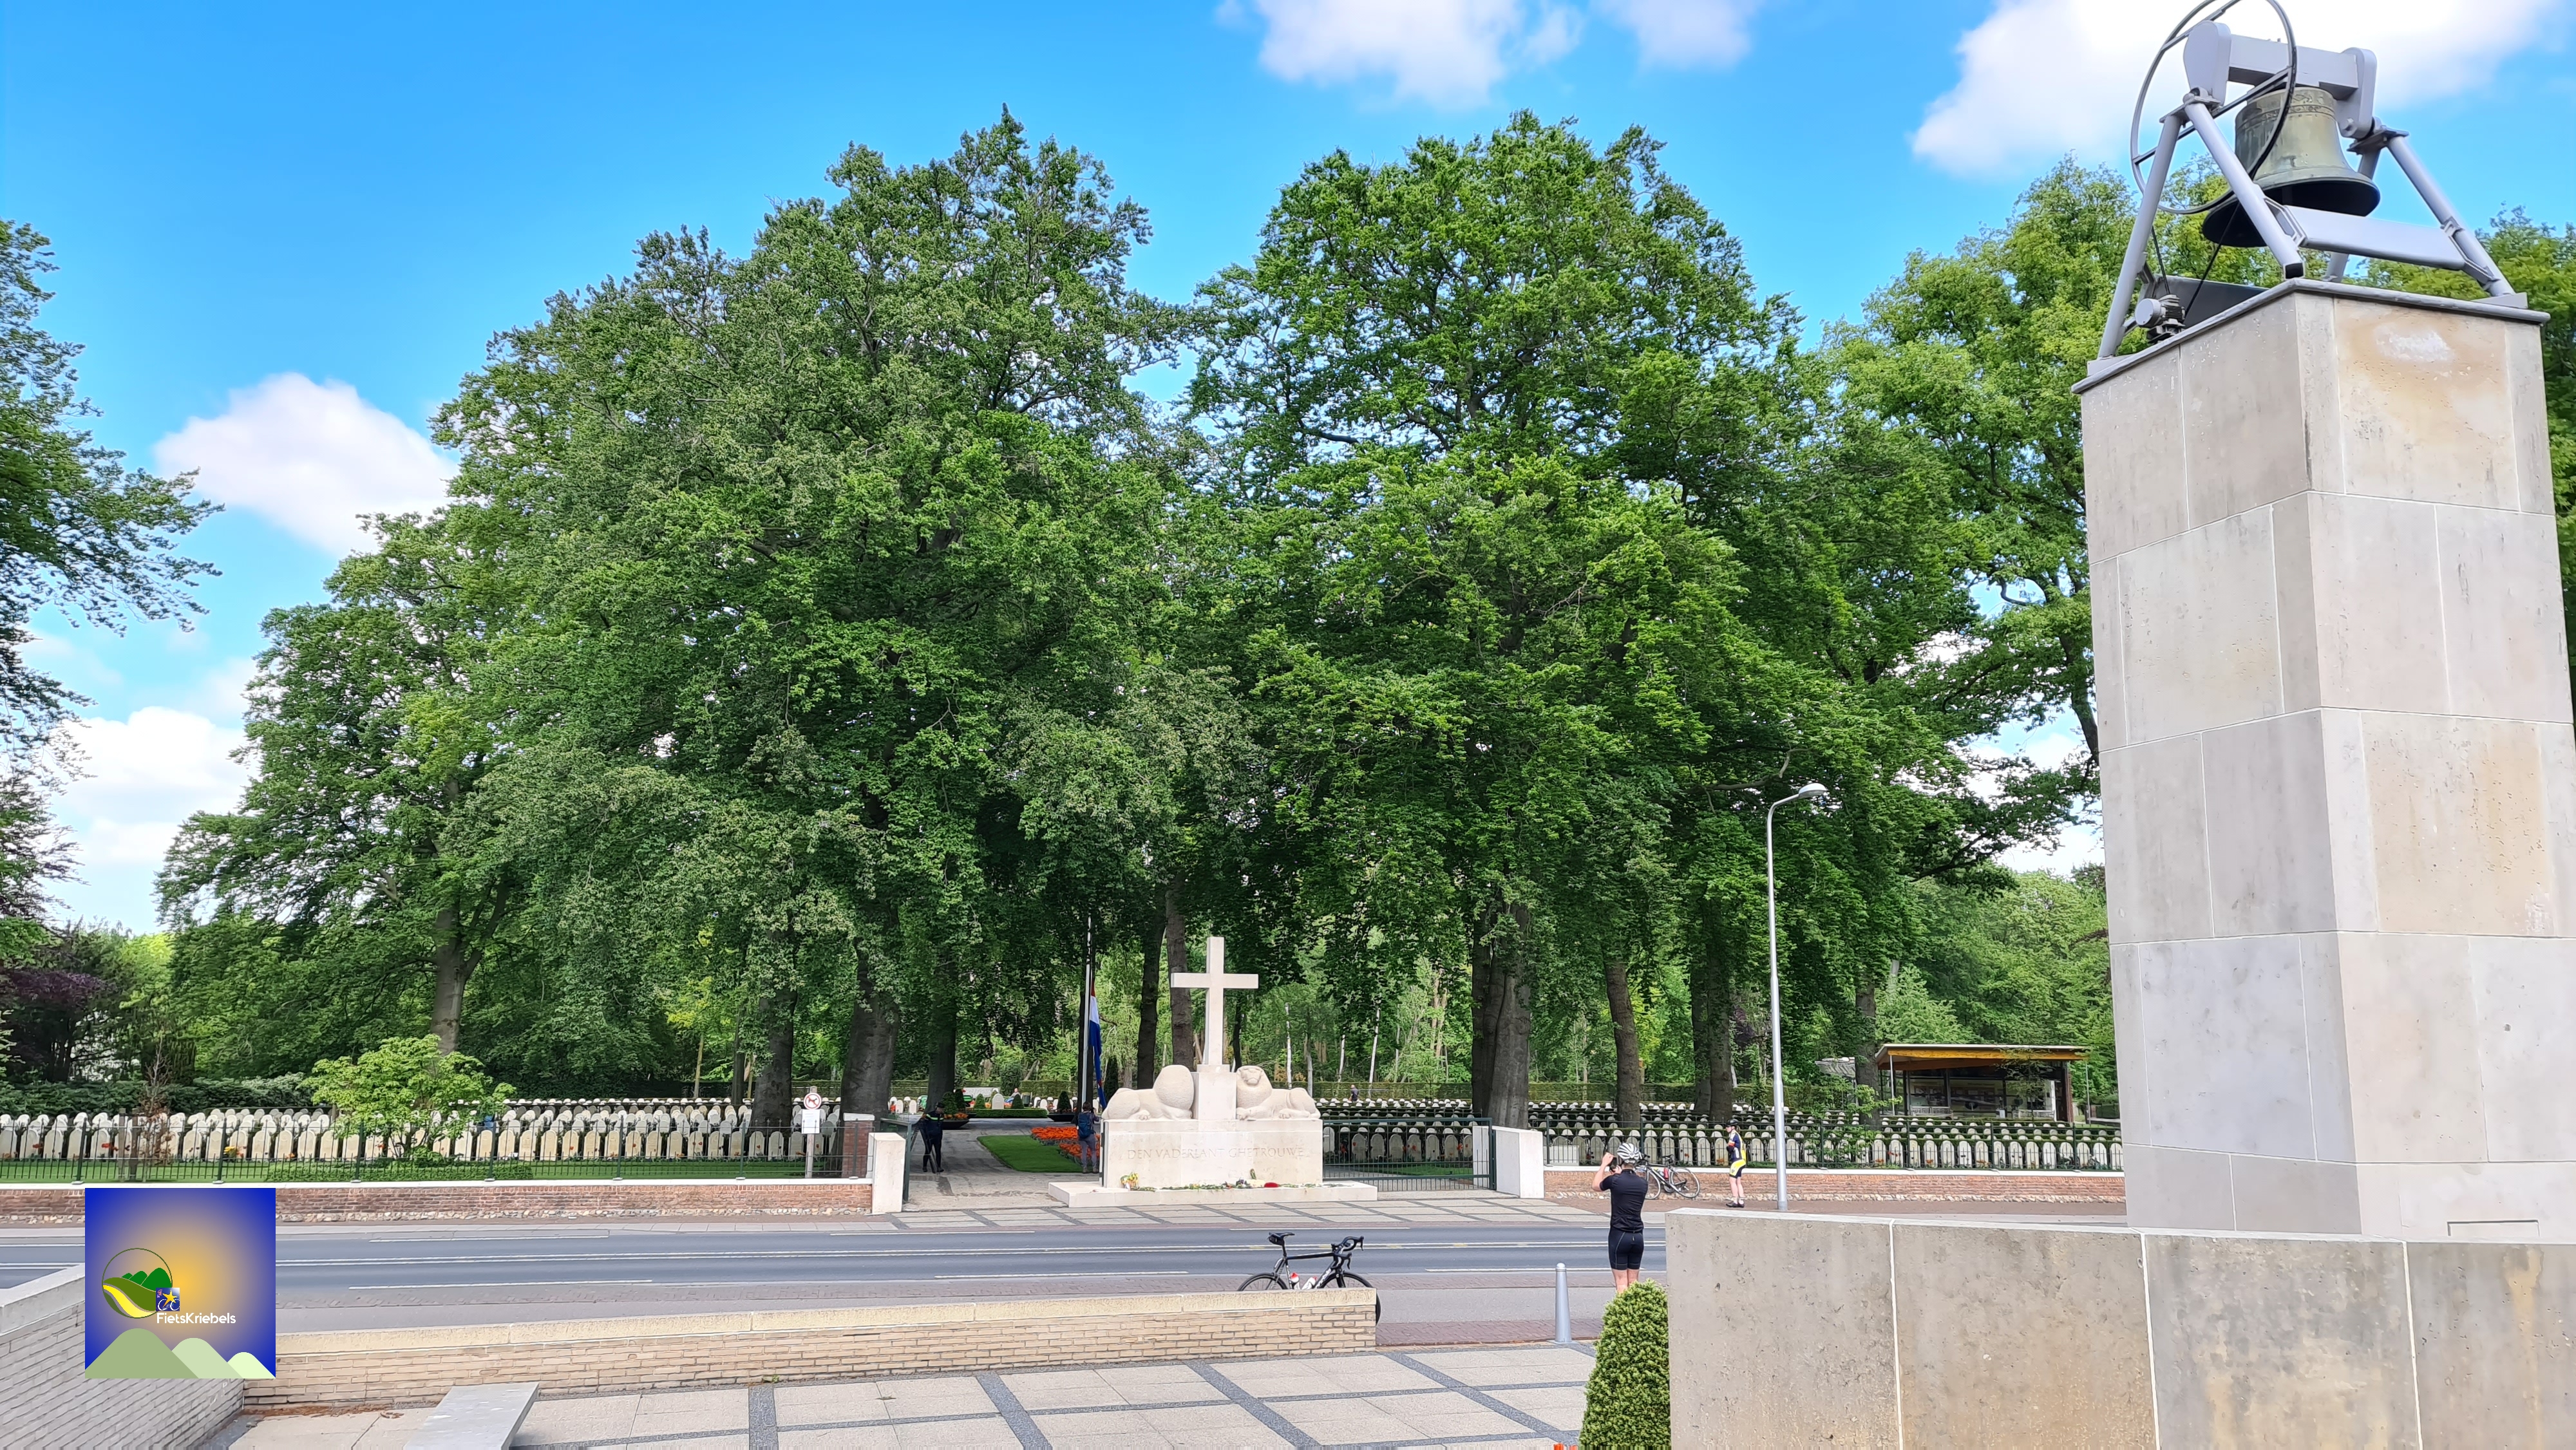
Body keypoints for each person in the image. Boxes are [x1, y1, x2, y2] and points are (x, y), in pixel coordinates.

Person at [1593, 1143, 1649, 1292]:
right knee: (1634, 1282)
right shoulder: (1643, 1184)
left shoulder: (1615, 1181)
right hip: (1638, 1235)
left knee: (1621, 1283)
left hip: (1619, 1234)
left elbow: (1596, 1186)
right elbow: (1627, 1184)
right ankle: (1635, 1314)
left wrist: (1604, 1165)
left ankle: (1622, 1314)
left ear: (1621, 1159)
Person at [1724, 1124, 1748, 1207]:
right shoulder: (1738, 1135)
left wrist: (1728, 1149)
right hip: (1742, 1160)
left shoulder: (1733, 1134)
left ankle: (1735, 1200)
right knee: (1738, 1181)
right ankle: (1741, 1201)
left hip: (1737, 1160)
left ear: (1733, 1127)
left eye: (1728, 1126)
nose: (1726, 1128)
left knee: (1732, 1181)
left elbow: (1730, 1147)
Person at [917, 1109, 945, 1173]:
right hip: (930, 1136)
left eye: (941, 1110)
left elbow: (941, 1125)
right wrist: (926, 1136)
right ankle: (925, 1166)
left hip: (938, 1136)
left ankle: (939, 1166)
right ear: (937, 1108)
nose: (940, 1111)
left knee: (938, 1152)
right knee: (928, 1151)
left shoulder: (942, 1115)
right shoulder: (930, 1115)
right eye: (939, 1109)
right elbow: (924, 1125)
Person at [1075, 1102, 1099, 1172]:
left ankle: (1085, 1168)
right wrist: (1095, 1112)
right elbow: (1097, 1119)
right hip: (1090, 1135)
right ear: (1090, 1108)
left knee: (1084, 1152)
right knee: (1093, 1151)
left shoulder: (1080, 1115)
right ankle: (1094, 1168)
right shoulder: (1091, 1115)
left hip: (1082, 1135)